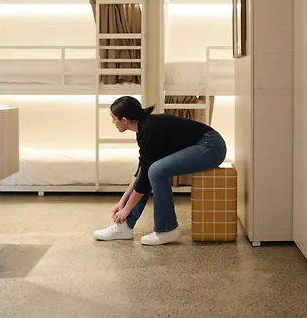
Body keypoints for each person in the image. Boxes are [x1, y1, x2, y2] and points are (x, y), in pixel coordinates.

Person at [93, 96, 227, 246]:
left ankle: (167, 229)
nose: (113, 122)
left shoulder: (150, 129)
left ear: (124, 120)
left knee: (156, 170)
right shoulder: (143, 129)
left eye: (113, 118)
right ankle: (125, 227)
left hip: (211, 146)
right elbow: (141, 170)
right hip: (206, 145)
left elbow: (145, 175)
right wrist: (122, 202)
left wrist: (127, 209)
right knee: (151, 170)